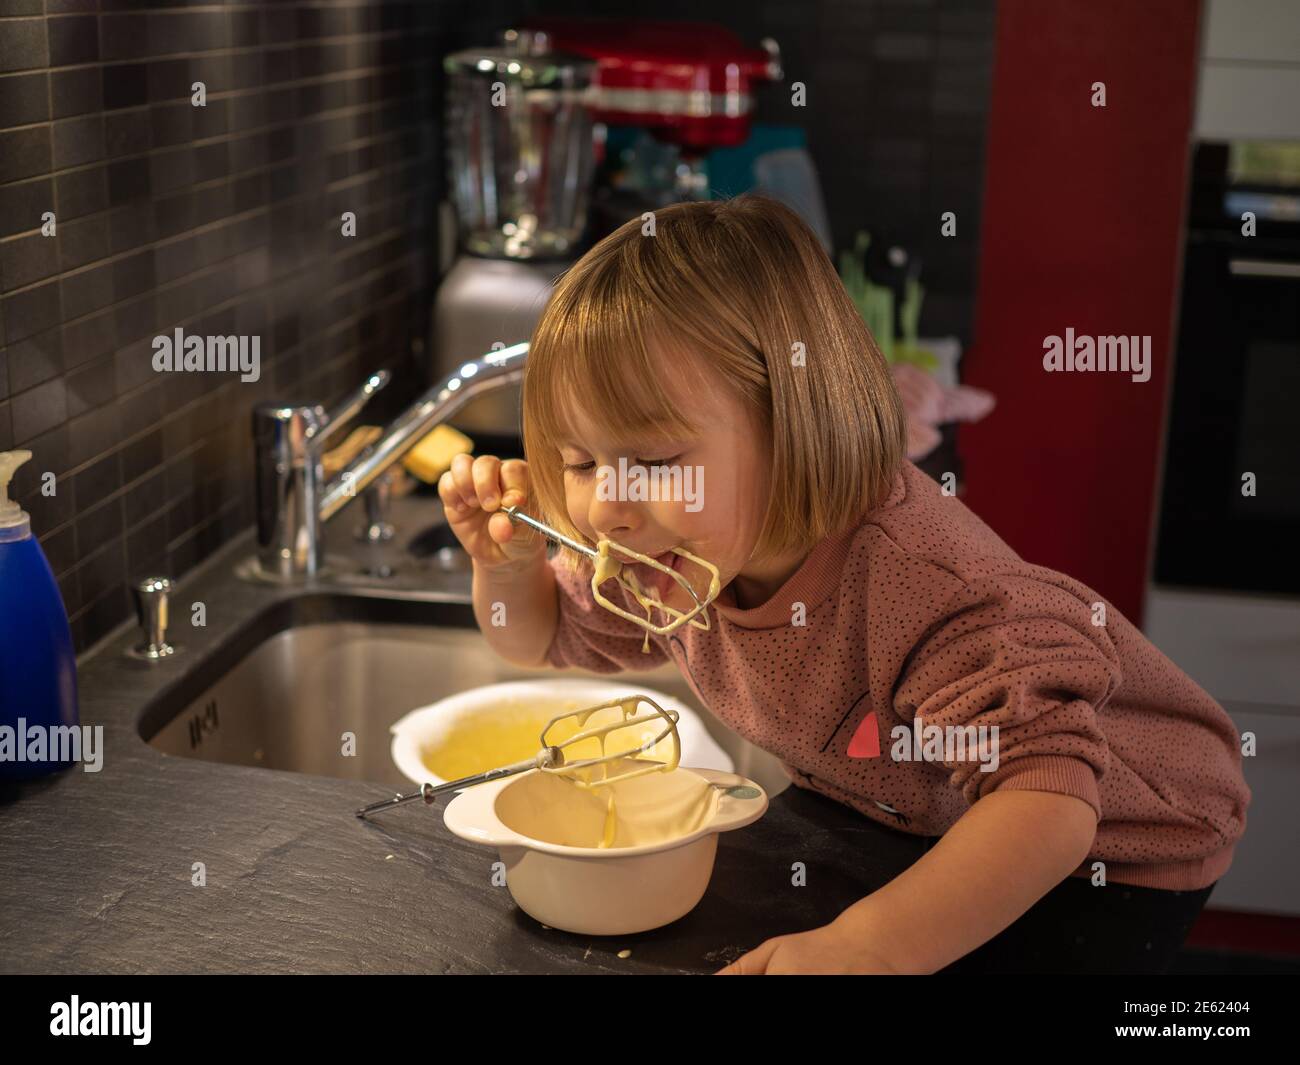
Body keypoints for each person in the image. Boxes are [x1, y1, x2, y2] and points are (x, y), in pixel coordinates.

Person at [438, 193, 1250, 975]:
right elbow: (545, 637)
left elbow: (1047, 799)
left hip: (1113, 848)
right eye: (580, 463)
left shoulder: (922, 589)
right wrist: (507, 567)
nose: (604, 508)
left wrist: (874, 946)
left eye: (653, 461)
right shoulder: (682, 552)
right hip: (903, 798)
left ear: (794, 423)